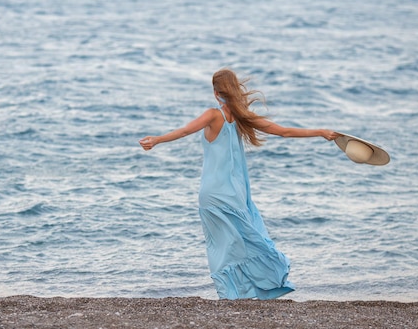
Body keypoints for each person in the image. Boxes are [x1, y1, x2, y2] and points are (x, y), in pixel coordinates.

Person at [139, 69, 339, 300]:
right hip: (237, 193)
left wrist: (157, 140)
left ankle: (230, 293)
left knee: (221, 246)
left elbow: (185, 130)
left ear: (216, 93)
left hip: (213, 193)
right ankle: (252, 287)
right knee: (246, 239)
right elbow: (283, 132)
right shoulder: (244, 118)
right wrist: (320, 132)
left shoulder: (213, 115)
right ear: (235, 90)